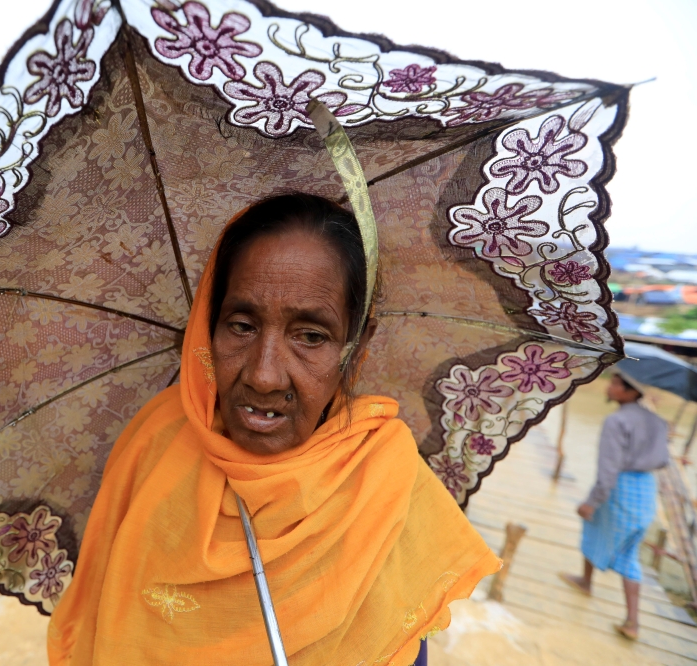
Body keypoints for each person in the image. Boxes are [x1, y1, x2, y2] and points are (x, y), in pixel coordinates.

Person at [47, 194, 500, 665]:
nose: (264, 376)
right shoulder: (155, 445)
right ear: (209, 324)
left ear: (356, 343)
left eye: (310, 336)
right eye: (241, 326)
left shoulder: (383, 481)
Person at [560, 372, 669, 640]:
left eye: (616, 384)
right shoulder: (657, 421)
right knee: (629, 548)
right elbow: (663, 460)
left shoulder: (616, 421)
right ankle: (626, 616)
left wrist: (592, 500)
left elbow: (608, 470)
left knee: (593, 522)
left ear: (631, 392)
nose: (609, 387)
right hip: (644, 490)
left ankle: (595, 588)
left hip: (620, 487)